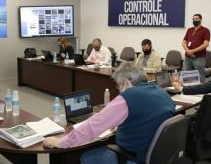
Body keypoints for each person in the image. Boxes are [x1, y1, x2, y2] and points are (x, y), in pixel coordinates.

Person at [43, 62, 175, 164]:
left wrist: (60, 142)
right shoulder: (161, 91)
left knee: (87, 157)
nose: (118, 89)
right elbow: (148, 116)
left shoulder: (127, 98)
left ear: (127, 82)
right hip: (158, 154)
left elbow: (91, 127)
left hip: (133, 157)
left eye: (118, 85)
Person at [182, 14, 210, 82]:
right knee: (186, 76)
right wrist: (188, 50)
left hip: (199, 58)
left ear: (200, 19)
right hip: (188, 57)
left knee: (200, 77)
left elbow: (206, 44)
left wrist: (192, 51)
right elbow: (183, 41)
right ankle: (188, 91)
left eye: (196, 19)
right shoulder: (189, 30)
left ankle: (201, 91)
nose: (194, 20)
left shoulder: (205, 30)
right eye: (193, 19)